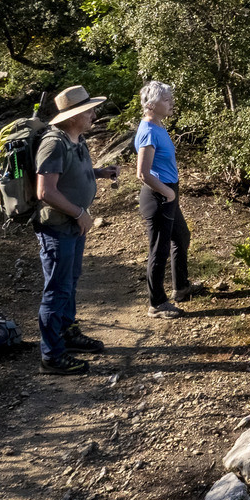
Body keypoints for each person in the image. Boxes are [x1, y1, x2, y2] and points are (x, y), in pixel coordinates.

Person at [35, 84, 119, 375]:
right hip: (57, 228)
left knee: (70, 281)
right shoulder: (54, 143)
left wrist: (99, 173)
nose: (95, 114)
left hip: (73, 226)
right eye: (90, 110)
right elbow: (45, 191)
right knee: (56, 289)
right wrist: (80, 213)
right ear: (74, 115)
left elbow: (71, 174)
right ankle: (51, 356)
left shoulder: (77, 139)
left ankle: (68, 335)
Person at [134, 80, 199, 318]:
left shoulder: (157, 126)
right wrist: (168, 192)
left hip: (167, 192)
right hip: (159, 196)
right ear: (151, 104)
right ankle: (156, 303)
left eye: (169, 98)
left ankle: (181, 287)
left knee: (181, 236)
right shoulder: (149, 131)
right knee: (158, 250)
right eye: (166, 99)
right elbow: (142, 172)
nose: (170, 103)